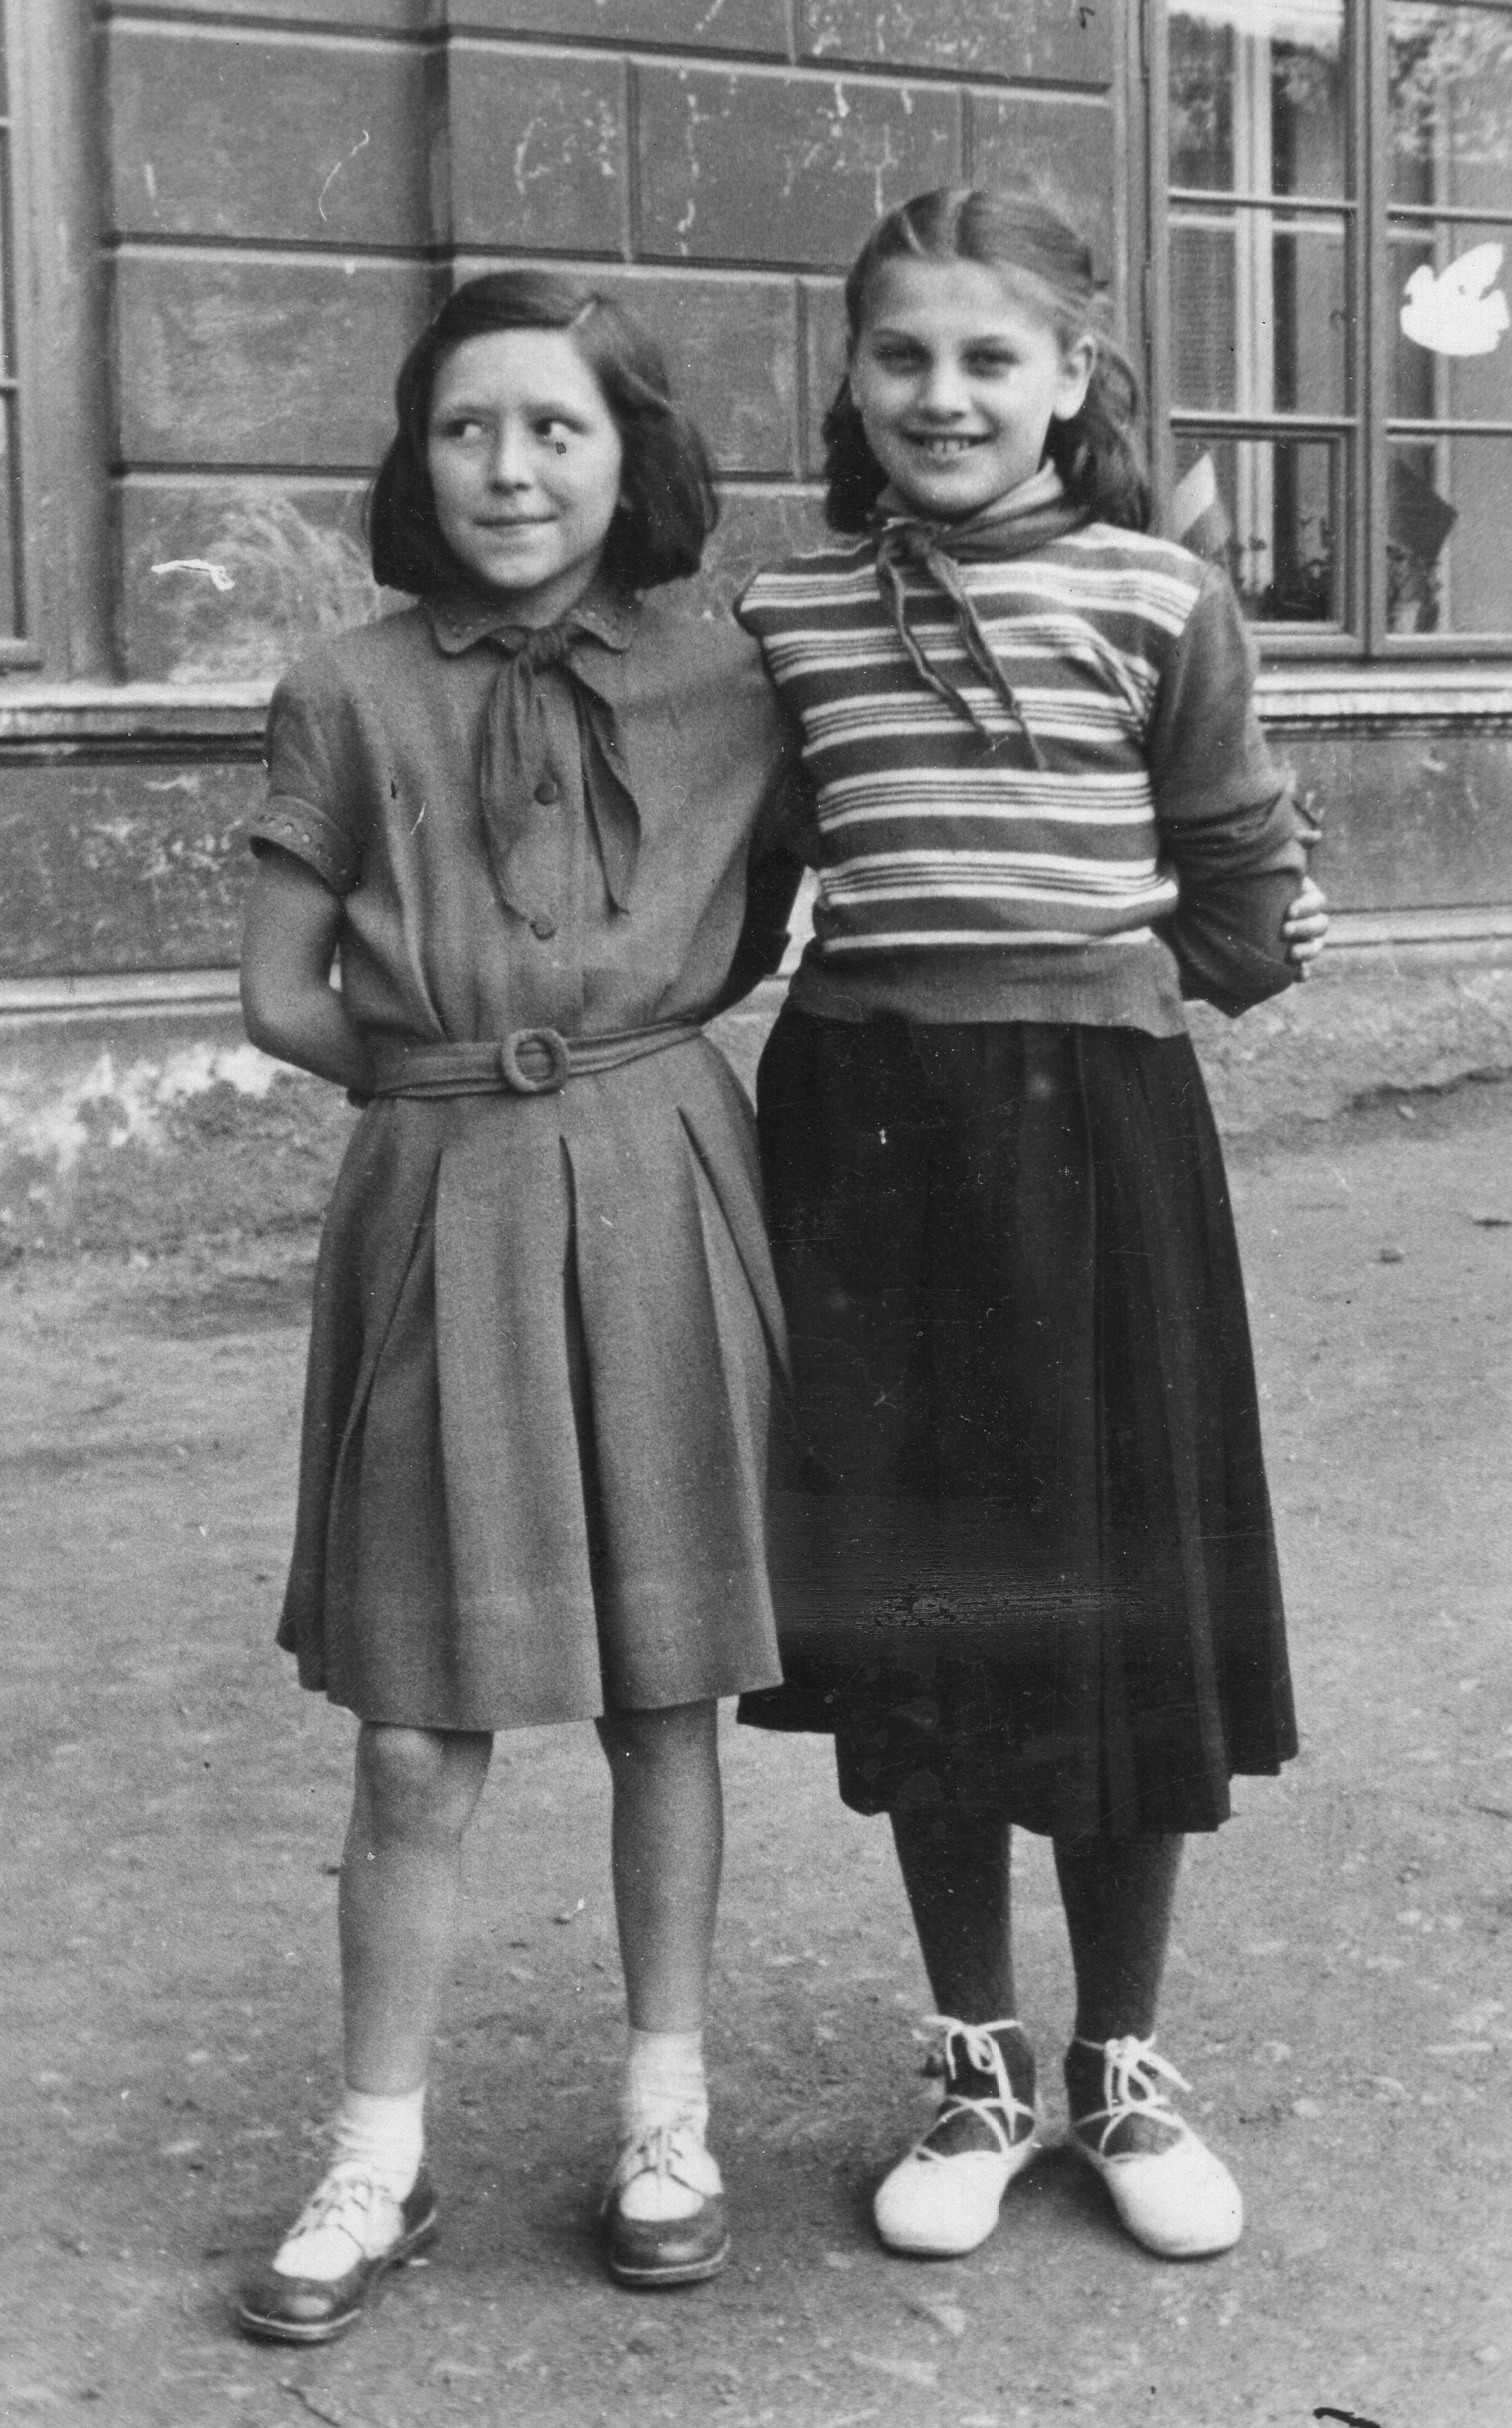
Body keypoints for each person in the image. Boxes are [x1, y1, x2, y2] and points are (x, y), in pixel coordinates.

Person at [734, 188, 1328, 2266]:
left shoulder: (1164, 596)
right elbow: (734, 891)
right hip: (865, 1147)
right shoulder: (787, 618)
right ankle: (976, 2058)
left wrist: (1194, 967)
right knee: (930, 1608)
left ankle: (1123, 2064)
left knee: (1115, 1601)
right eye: (902, 356)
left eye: (991, 358)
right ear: (852, 376)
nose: (944, 395)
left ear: (1073, 375)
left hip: (1098, 1143)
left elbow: (1239, 871)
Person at [233, 271, 806, 2341]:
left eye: (557, 428)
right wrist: (455, 1084)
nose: (508, 468)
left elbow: (772, 910)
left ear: (630, 456)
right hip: (441, 1192)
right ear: (417, 457)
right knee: (413, 1731)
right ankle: (376, 2152)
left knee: (667, 1695)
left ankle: (668, 2115)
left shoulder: (737, 676)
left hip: (664, 1184)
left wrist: (622, 1065)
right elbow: (279, 992)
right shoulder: (348, 689)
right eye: (466, 427)